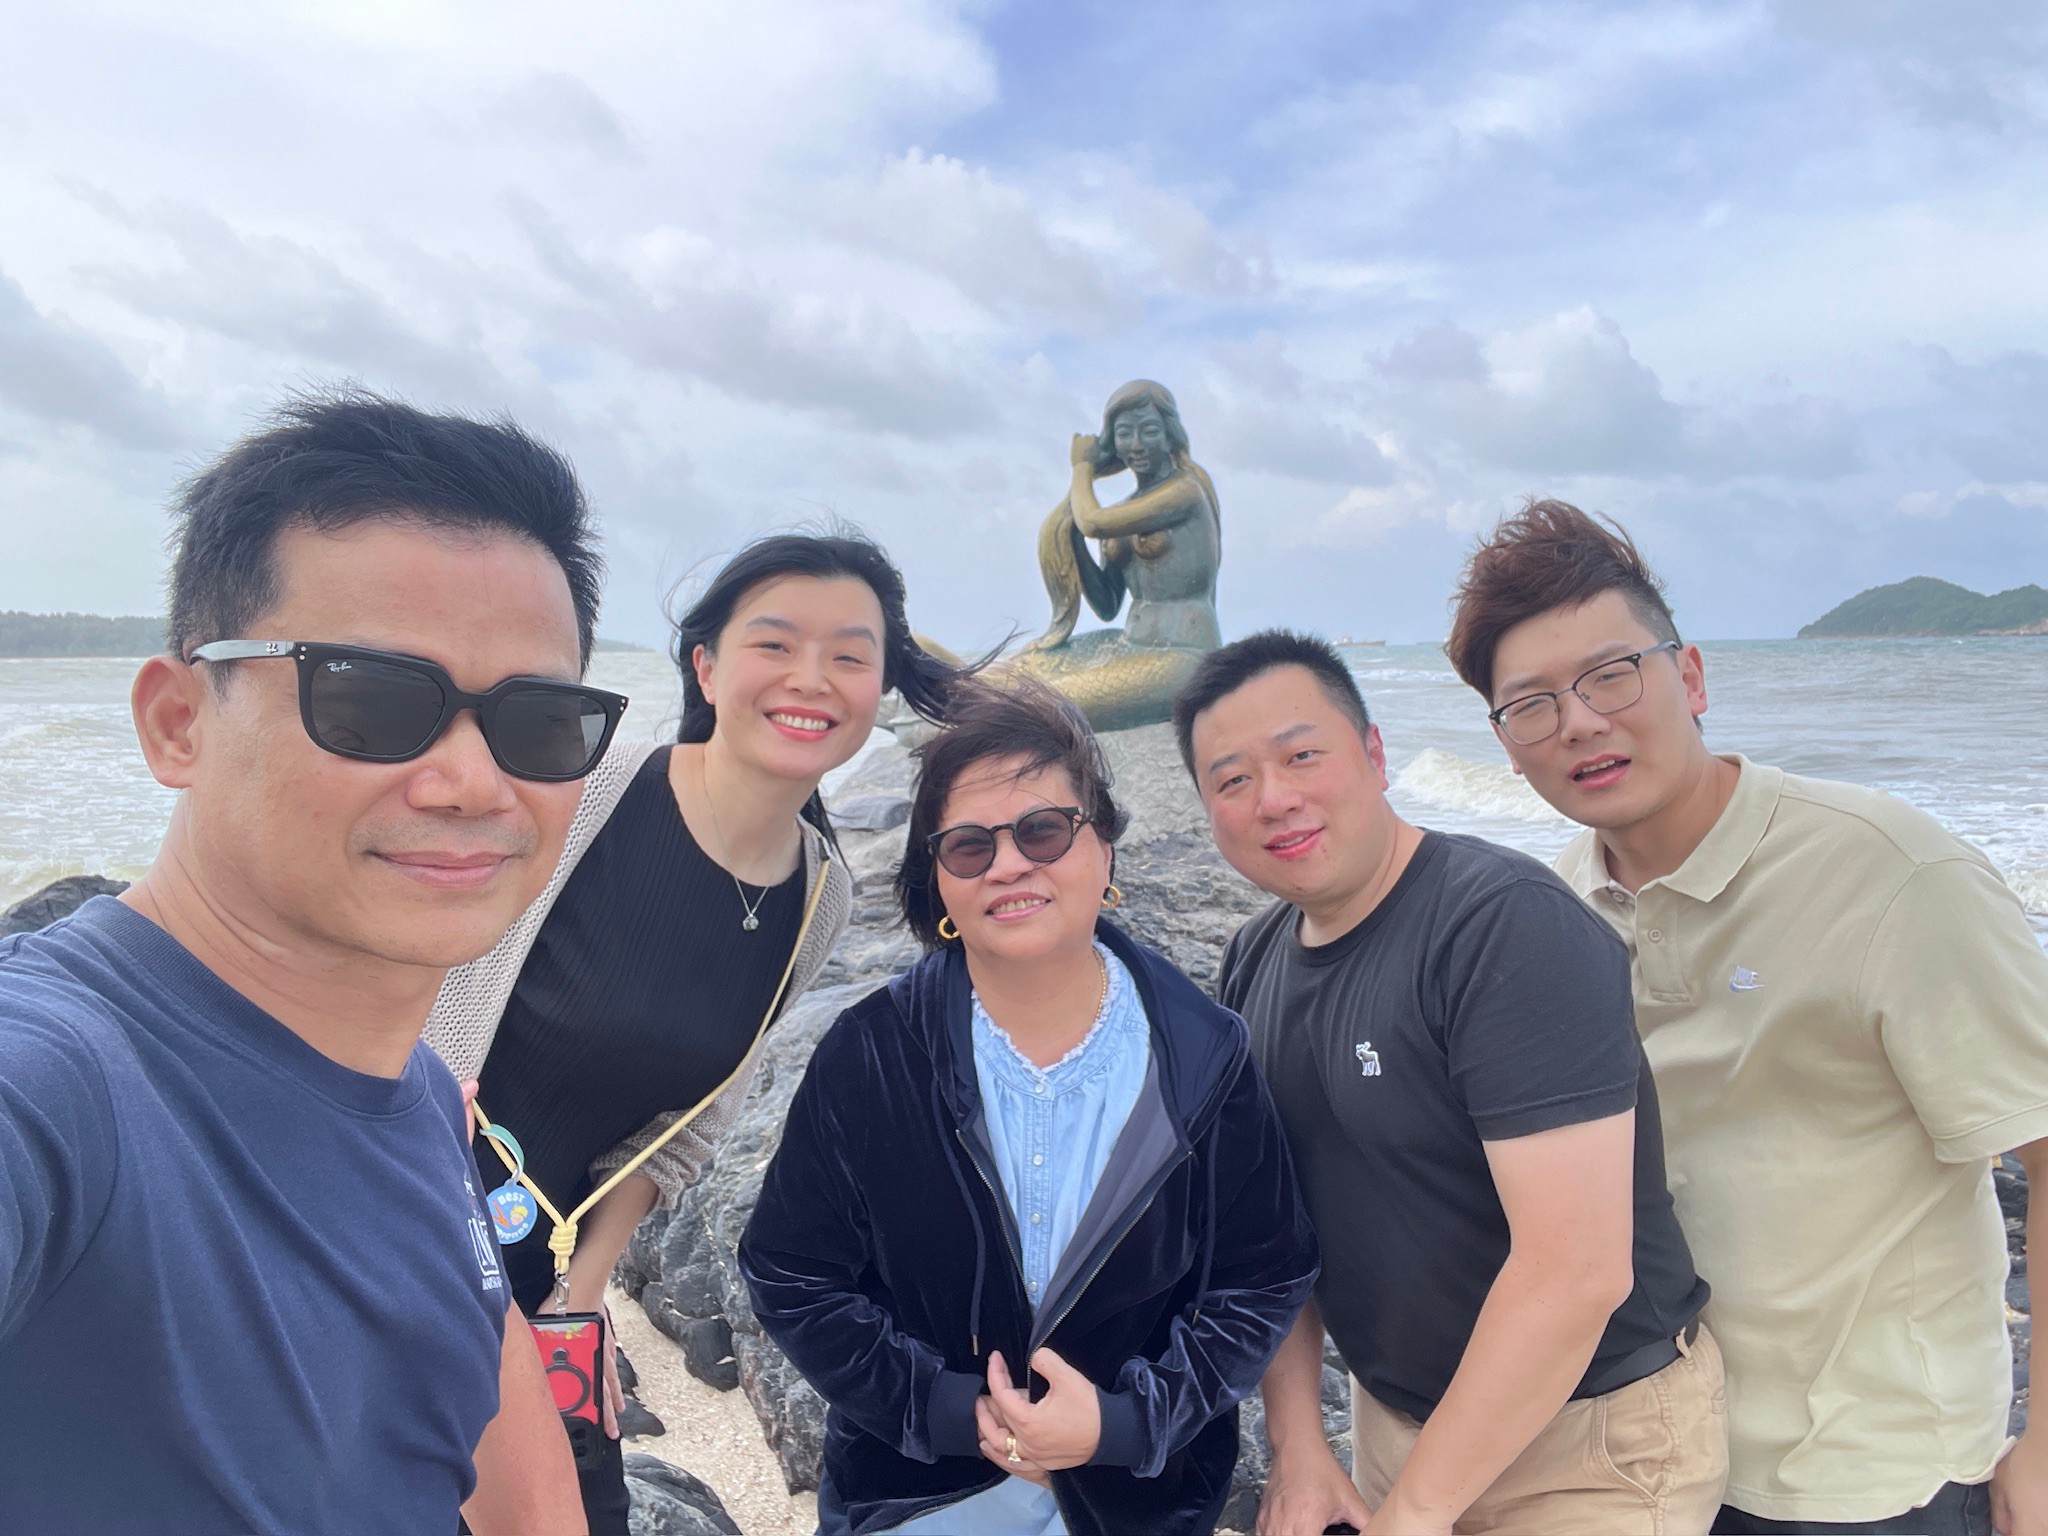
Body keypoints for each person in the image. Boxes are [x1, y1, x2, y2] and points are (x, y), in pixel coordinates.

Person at [0, 391, 599, 1534]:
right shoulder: (58, 1084)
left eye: (538, 722)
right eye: (370, 701)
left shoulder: (417, 1094)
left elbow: (467, 1410)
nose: (474, 782)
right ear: (178, 721)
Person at [1446, 500, 2048, 1536]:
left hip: (1873, 1474)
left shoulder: (1893, 875)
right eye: (1531, 704)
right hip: (1653, 1457)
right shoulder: (1552, 912)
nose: (1578, 722)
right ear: (1506, 746)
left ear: (1689, 678)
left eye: (1609, 675)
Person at [424, 530, 956, 1531]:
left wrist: (579, 1299)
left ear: (880, 687)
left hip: (540, 1286)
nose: (811, 678)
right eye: (775, 644)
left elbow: (684, 1131)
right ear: (707, 667)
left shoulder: (819, 897)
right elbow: (409, 963)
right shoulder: (585, 787)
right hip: (400, 1230)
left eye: (849, 655)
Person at [1173, 629, 1723, 1536]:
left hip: (1591, 1446)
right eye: (1232, 781)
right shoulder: (1252, 960)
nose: (1274, 798)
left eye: (1302, 756)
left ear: (1375, 754)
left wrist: (1416, 1514)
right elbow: (1266, 1234)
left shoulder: (1503, 929)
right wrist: (1300, 1446)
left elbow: (1577, 1270)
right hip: (1396, 1427)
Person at [740, 677, 1318, 1536]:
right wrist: (945, 1408)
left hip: (1136, 1505)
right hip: (916, 1500)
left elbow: (1261, 1276)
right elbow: (790, 1272)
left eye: (1043, 830)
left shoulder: (1205, 1055)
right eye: (969, 846)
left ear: (1104, 848)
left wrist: (1125, 1423)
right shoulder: (872, 1052)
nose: (1009, 865)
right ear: (939, 882)